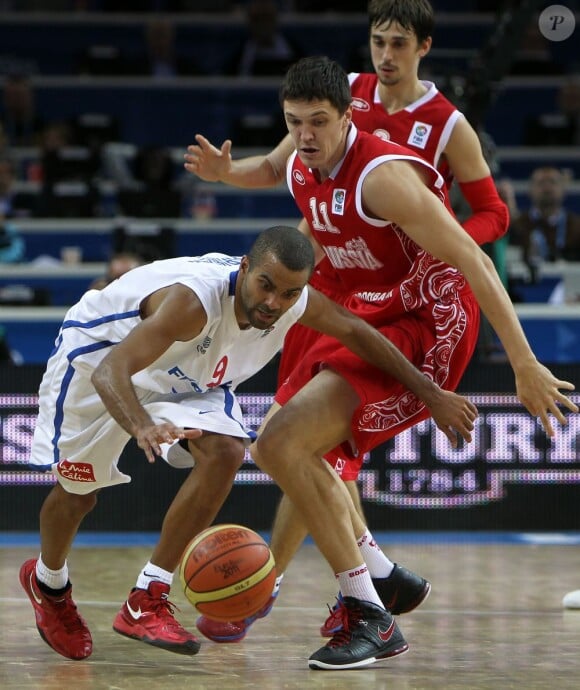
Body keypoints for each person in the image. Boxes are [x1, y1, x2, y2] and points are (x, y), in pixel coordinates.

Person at [212, 55, 574, 670]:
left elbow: (476, 261)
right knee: (285, 444)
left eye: (318, 122)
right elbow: (312, 236)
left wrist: (524, 363)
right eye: (294, 121)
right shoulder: (305, 168)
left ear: (348, 116)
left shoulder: (382, 176)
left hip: (430, 321)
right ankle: (380, 579)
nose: (304, 135)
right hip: (370, 312)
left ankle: (369, 613)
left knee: (284, 445)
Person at [184, 0, 510, 643]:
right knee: (282, 435)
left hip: (407, 298)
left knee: (297, 445)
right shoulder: (340, 97)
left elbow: (490, 218)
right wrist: (230, 176)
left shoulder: (444, 126)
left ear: (424, 47)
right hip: (339, 286)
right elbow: (281, 170)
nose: (385, 55)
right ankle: (376, 575)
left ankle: (279, 586)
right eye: (377, 41)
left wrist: (435, 245)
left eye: (398, 43)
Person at [19, 224, 479, 662]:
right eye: (265, 285)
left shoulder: (294, 302)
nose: (274, 302)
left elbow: (358, 332)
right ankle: (49, 584)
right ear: (244, 267)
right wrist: (141, 426)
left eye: (289, 293)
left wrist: (430, 392)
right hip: (102, 357)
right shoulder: (193, 302)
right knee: (77, 496)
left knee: (226, 452)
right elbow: (110, 372)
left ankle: (147, 598)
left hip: (185, 375)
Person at [510, 166, 580, 274]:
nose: (547, 188)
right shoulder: (517, 225)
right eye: (541, 183)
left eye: (553, 182)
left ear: (563, 190)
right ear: (530, 190)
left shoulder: (576, 227)